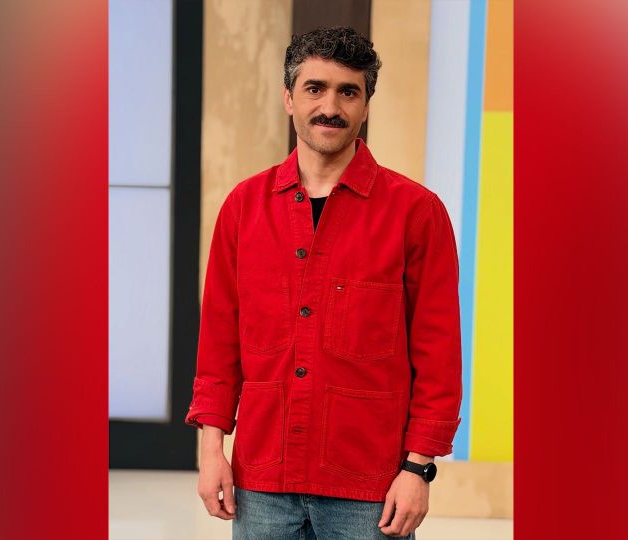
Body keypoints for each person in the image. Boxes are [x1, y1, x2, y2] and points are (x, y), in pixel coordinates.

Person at [185, 26, 462, 539]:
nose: (330, 107)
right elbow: (218, 343)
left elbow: (438, 352)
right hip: (262, 481)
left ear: (365, 106)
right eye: (315, 88)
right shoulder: (243, 208)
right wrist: (212, 451)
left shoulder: (417, 213)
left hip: (371, 487)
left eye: (347, 92)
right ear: (289, 98)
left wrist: (418, 468)